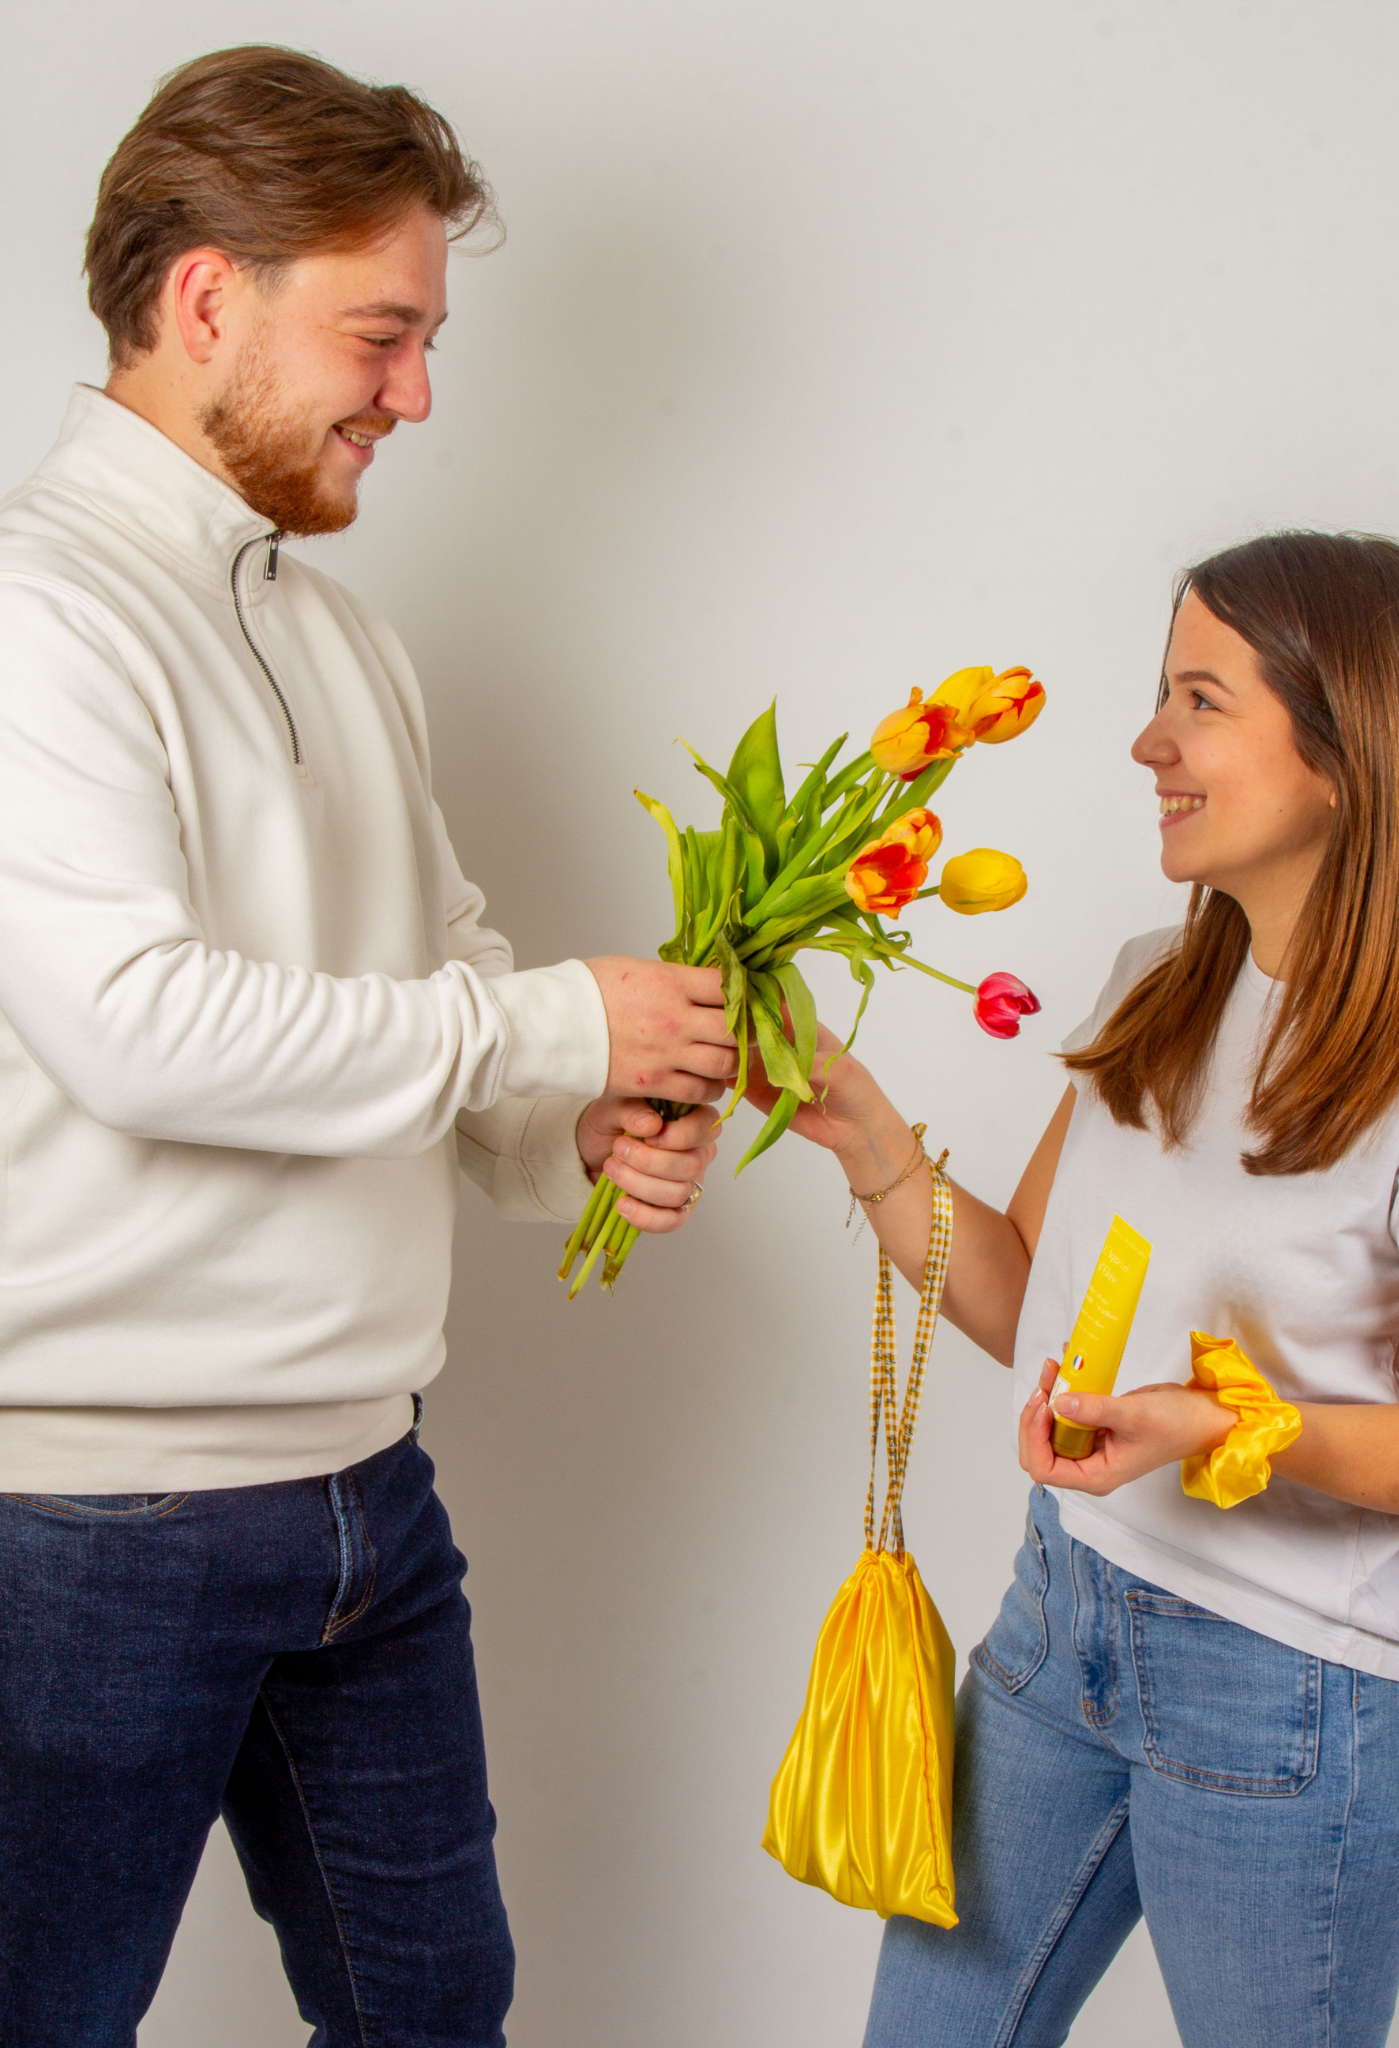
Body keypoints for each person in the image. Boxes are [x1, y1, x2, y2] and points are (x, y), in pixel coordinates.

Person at [0, 46, 733, 2047]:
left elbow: (441, 966)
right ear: (206, 299)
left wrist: (554, 1131)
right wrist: (558, 1021)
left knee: (436, 2018)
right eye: (383, 332)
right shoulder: (34, 615)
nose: (417, 393)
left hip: (366, 1499)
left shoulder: (338, 633)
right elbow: (137, 1030)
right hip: (97, 1527)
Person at [756, 532, 1399, 2047]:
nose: (1147, 742)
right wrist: (872, 1145)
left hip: (1292, 1701)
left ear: (1345, 755)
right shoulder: (1158, 983)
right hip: (1059, 1622)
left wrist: (1229, 1429)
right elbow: (1031, 1315)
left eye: (1198, 702)